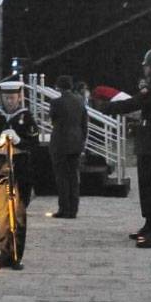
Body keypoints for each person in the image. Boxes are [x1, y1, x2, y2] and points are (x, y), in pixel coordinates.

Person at [105, 47, 151, 248]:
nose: (144, 69)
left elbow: (132, 104)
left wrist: (106, 107)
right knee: (149, 185)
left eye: (147, 66)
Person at [0, 80, 40, 270]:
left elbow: (34, 144)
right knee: (2, 213)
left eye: (13, 98)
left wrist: (18, 140)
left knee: (18, 213)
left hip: (20, 164)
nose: (9, 102)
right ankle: (4, 253)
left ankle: (17, 255)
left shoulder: (26, 117)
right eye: (6, 98)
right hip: (0, 165)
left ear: (19, 97)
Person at [48, 74, 88, 219]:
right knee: (73, 176)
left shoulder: (56, 103)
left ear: (58, 87)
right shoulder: (80, 101)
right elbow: (84, 123)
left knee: (62, 178)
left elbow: (53, 119)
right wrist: (82, 140)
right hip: (76, 142)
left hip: (60, 143)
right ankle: (74, 209)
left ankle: (64, 209)